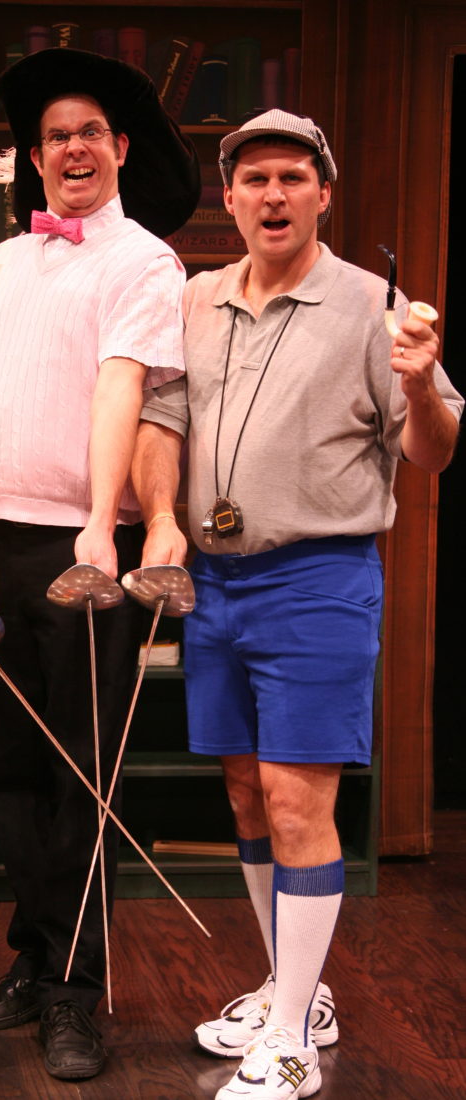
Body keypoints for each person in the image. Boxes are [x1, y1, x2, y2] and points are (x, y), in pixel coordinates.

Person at [131, 109, 463, 1100]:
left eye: (291, 177)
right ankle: (294, 992)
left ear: (323, 193)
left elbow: (431, 452)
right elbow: (161, 417)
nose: (271, 194)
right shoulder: (195, 298)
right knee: (243, 788)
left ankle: (290, 1042)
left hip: (317, 576)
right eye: (253, 179)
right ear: (229, 197)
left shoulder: (372, 305)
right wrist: (160, 518)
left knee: (293, 796)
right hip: (216, 580)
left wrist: (422, 387)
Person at [0, 47, 200, 1082]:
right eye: (55, 136)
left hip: (83, 548)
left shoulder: (143, 261)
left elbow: (122, 389)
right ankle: (35, 954)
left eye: (89, 133)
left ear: (120, 149)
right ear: (34, 156)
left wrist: (103, 524)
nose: (71, 149)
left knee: (79, 777)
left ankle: (73, 990)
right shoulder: (0, 266)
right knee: (8, 770)